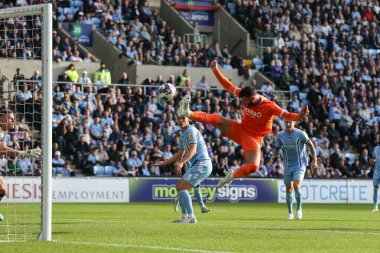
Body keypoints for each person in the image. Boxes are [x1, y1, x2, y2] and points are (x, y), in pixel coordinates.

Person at [177, 60, 309, 188]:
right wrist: (216, 70)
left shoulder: (269, 106)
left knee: (254, 166)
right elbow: (227, 85)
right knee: (218, 119)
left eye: (244, 100)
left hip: (254, 138)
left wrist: (300, 115)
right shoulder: (244, 94)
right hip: (241, 129)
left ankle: (231, 176)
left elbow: (288, 116)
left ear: (251, 99)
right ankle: (188, 113)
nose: (241, 102)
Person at [152, 116, 212, 224]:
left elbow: (193, 151)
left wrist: (181, 162)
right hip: (197, 165)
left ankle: (191, 217)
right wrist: (164, 163)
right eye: (179, 118)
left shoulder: (191, 131)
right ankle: (185, 217)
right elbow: (179, 154)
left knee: (182, 187)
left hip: (202, 164)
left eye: (183, 118)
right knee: (179, 187)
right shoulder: (184, 134)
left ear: (189, 119)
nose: (180, 120)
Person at [268, 120, 317, 220]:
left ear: (294, 123)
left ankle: (299, 209)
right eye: (286, 122)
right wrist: (272, 158)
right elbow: (277, 148)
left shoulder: (301, 134)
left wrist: (314, 159)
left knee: (296, 185)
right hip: (287, 165)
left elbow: (310, 145)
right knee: (289, 188)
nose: (288, 124)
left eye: (290, 122)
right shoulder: (280, 135)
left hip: (300, 164)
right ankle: (290, 212)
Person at [0, 109, 42, 221]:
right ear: (2, 119)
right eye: (11, 118)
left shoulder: (4, 133)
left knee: (3, 189)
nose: (13, 121)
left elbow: (2, 151)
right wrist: (23, 153)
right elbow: (2, 149)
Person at [370, 143, 380, 212]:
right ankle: (375, 207)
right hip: (377, 171)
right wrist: (372, 161)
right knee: (375, 187)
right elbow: (373, 158)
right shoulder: (376, 148)